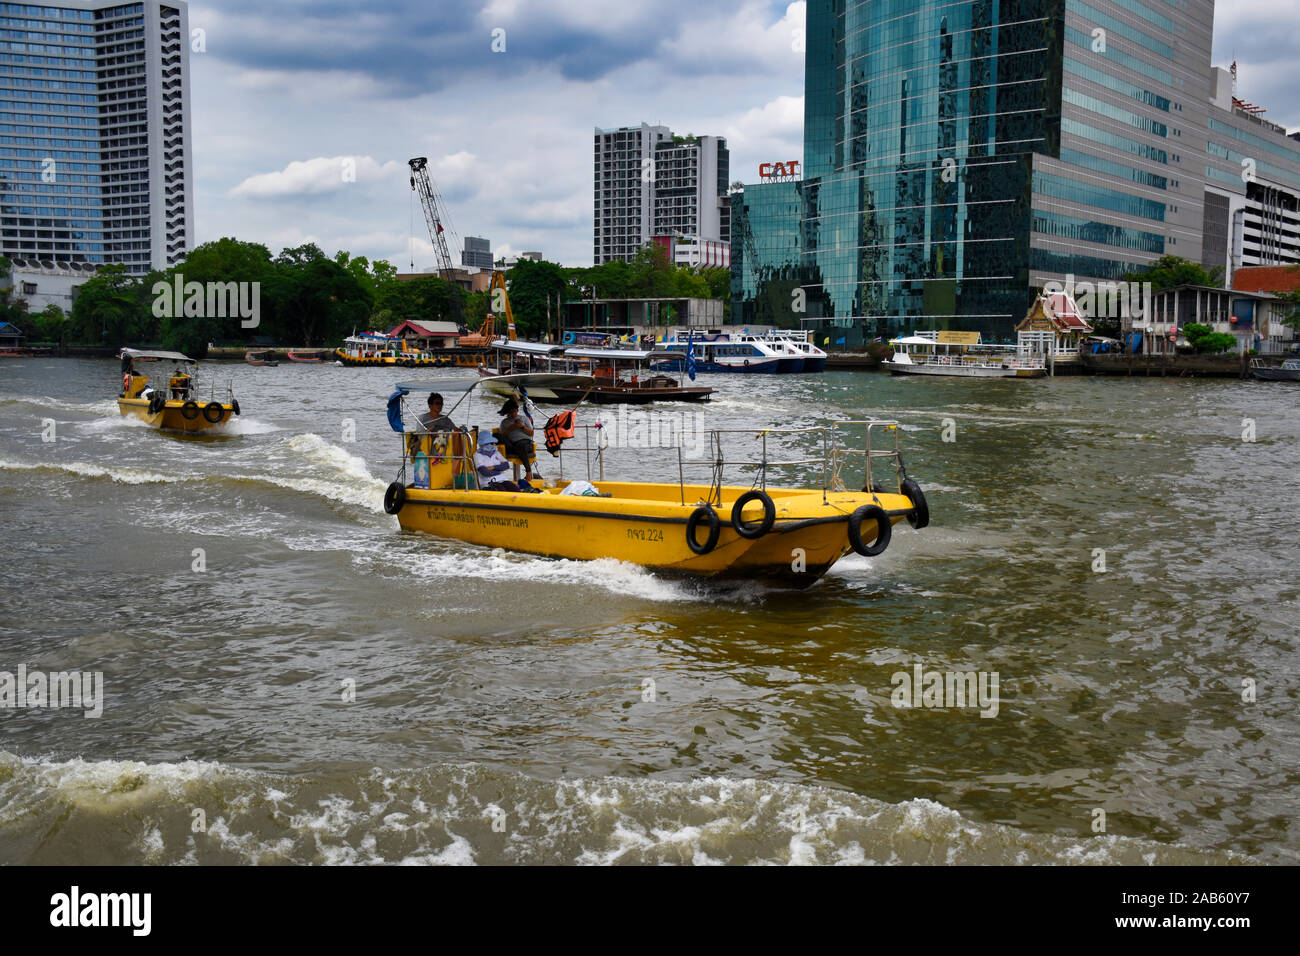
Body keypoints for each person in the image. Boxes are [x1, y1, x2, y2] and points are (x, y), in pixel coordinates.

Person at [498, 397, 539, 479]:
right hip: (512, 444)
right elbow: (502, 437)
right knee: (497, 436)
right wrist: (510, 428)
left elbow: (531, 433)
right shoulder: (505, 422)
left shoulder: (524, 419)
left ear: (517, 410)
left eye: (515, 411)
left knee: (520, 446)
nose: (513, 414)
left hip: (526, 443)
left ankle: (528, 471)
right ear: (507, 412)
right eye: (511, 412)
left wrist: (522, 427)